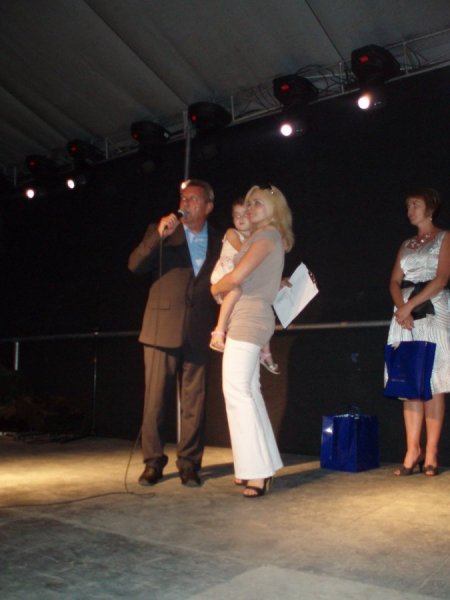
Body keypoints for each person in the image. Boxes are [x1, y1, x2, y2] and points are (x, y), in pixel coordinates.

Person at [128, 179, 222, 486]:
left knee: (195, 401)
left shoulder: (220, 241)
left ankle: (190, 462)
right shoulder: (163, 232)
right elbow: (135, 265)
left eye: (194, 199)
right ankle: (153, 462)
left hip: (199, 328)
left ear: (208, 206)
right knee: (155, 400)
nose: (186, 203)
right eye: (183, 198)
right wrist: (159, 235)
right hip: (161, 327)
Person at [210, 183, 294, 497]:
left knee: (237, 392)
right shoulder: (267, 236)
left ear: (275, 208)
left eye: (257, 203)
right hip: (250, 317)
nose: (249, 208)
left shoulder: (267, 234)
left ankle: (255, 471)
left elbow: (237, 278)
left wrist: (214, 288)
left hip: (249, 317)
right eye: (248, 203)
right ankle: (263, 464)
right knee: (248, 392)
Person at [387, 187, 450, 476]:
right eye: (408, 206)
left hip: (432, 308)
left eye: (415, 205)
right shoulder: (405, 244)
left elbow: (442, 278)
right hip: (405, 315)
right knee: (409, 380)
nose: (410, 210)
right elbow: (394, 281)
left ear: (430, 208)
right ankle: (412, 450)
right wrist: (402, 309)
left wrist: (411, 306)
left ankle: (432, 452)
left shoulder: (444, 237)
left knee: (432, 381)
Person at [210, 197, 280, 374]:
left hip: (240, 280)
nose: (240, 219)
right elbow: (244, 250)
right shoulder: (232, 233)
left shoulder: (256, 238)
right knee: (235, 290)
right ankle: (219, 331)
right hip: (225, 275)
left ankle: (266, 353)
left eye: (244, 215)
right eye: (236, 215)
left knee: (262, 310)